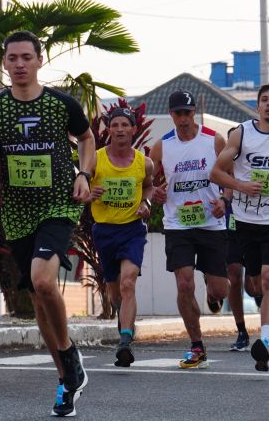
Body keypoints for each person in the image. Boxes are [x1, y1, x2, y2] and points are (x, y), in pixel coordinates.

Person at [0, 31, 93, 416]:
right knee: (39, 298)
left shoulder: (61, 103)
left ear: (39, 60)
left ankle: (67, 354)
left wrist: (84, 174)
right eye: (13, 58)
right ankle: (66, 380)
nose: (20, 64)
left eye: (27, 57)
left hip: (59, 203)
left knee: (44, 280)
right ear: (5, 63)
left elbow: (87, 138)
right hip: (18, 210)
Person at [210, 83, 269, 372]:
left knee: (268, 277)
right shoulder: (241, 134)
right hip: (246, 220)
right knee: (254, 285)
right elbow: (215, 172)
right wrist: (240, 185)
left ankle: (264, 342)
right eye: (264, 100)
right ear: (257, 106)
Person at [150, 90, 229, 369]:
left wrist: (224, 199)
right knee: (184, 283)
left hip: (211, 223)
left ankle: (212, 290)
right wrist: (154, 193)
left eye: (187, 112)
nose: (183, 118)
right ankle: (196, 346)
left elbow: (231, 175)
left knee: (221, 290)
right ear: (171, 114)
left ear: (194, 112)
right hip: (178, 224)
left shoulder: (214, 139)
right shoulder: (162, 146)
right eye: (178, 113)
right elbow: (148, 182)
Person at [87, 107, 154, 367]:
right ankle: (121, 316)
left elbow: (148, 186)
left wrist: (146, 204)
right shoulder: (95, 159)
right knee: (115, 291)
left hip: (132, 230)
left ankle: (125, 339)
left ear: (133, 129)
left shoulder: (143, 162)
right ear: (108, 130)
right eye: (114, 125)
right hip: (104, 230)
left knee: (128, 283)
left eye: (125, 125)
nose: (119, 129)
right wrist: (90, 190)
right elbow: (79, 184)